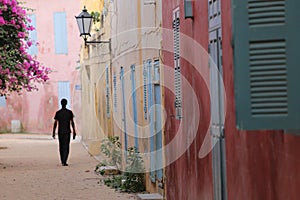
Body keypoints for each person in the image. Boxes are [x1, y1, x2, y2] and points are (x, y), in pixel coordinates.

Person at [52, 98, 76, 166]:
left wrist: (53, 132)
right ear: (66, 103)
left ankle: (62, 160)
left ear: (61, 103)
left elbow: (55, 123)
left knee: (61, 146)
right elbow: (72, 123)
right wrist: (74, 131)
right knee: (67, 146)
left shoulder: (58, 113)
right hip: (67, 132)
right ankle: (65, 160)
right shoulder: (69, 112)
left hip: (60, 132)